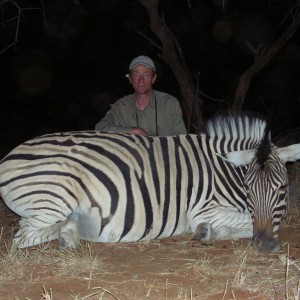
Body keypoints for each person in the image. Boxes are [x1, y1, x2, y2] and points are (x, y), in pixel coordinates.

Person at [95, 55, 187, 136]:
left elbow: (182, 139)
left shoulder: (170, 104)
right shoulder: (121, 106)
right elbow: (100, 127)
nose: (141, 80)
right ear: (130, 79)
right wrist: (133, 131)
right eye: (136, 75)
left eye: (146, 75)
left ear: (153, 78)